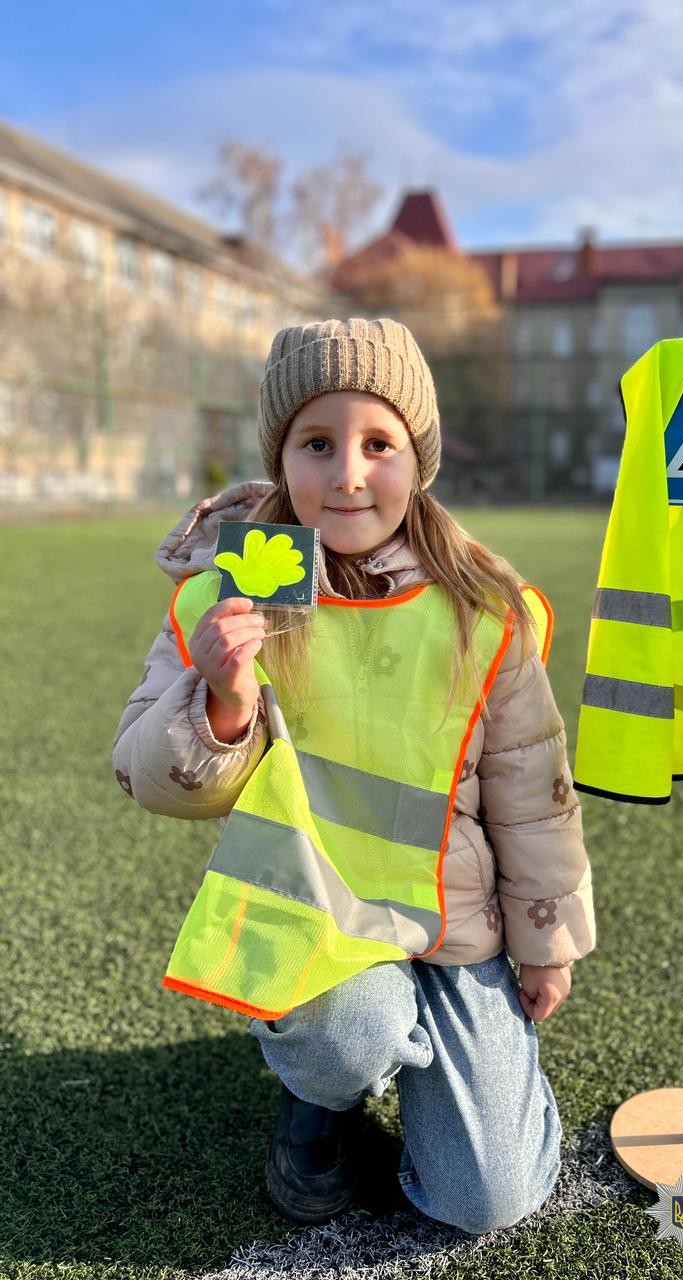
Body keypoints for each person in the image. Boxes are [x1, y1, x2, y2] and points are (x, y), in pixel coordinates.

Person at [112, 317, 596, 1236]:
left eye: (379, 444)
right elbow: (148, 776)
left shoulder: (483, 611)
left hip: (455, 926)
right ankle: (321, 1095)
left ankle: (435, 1058)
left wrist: (545, 938)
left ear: (419, 460)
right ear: (281, 456)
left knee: (488, 1199)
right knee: (348, 1034)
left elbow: (535, 795)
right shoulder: (229, 594)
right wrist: (223, 699)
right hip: (315, 917)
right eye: (317, 443)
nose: (346, 474)